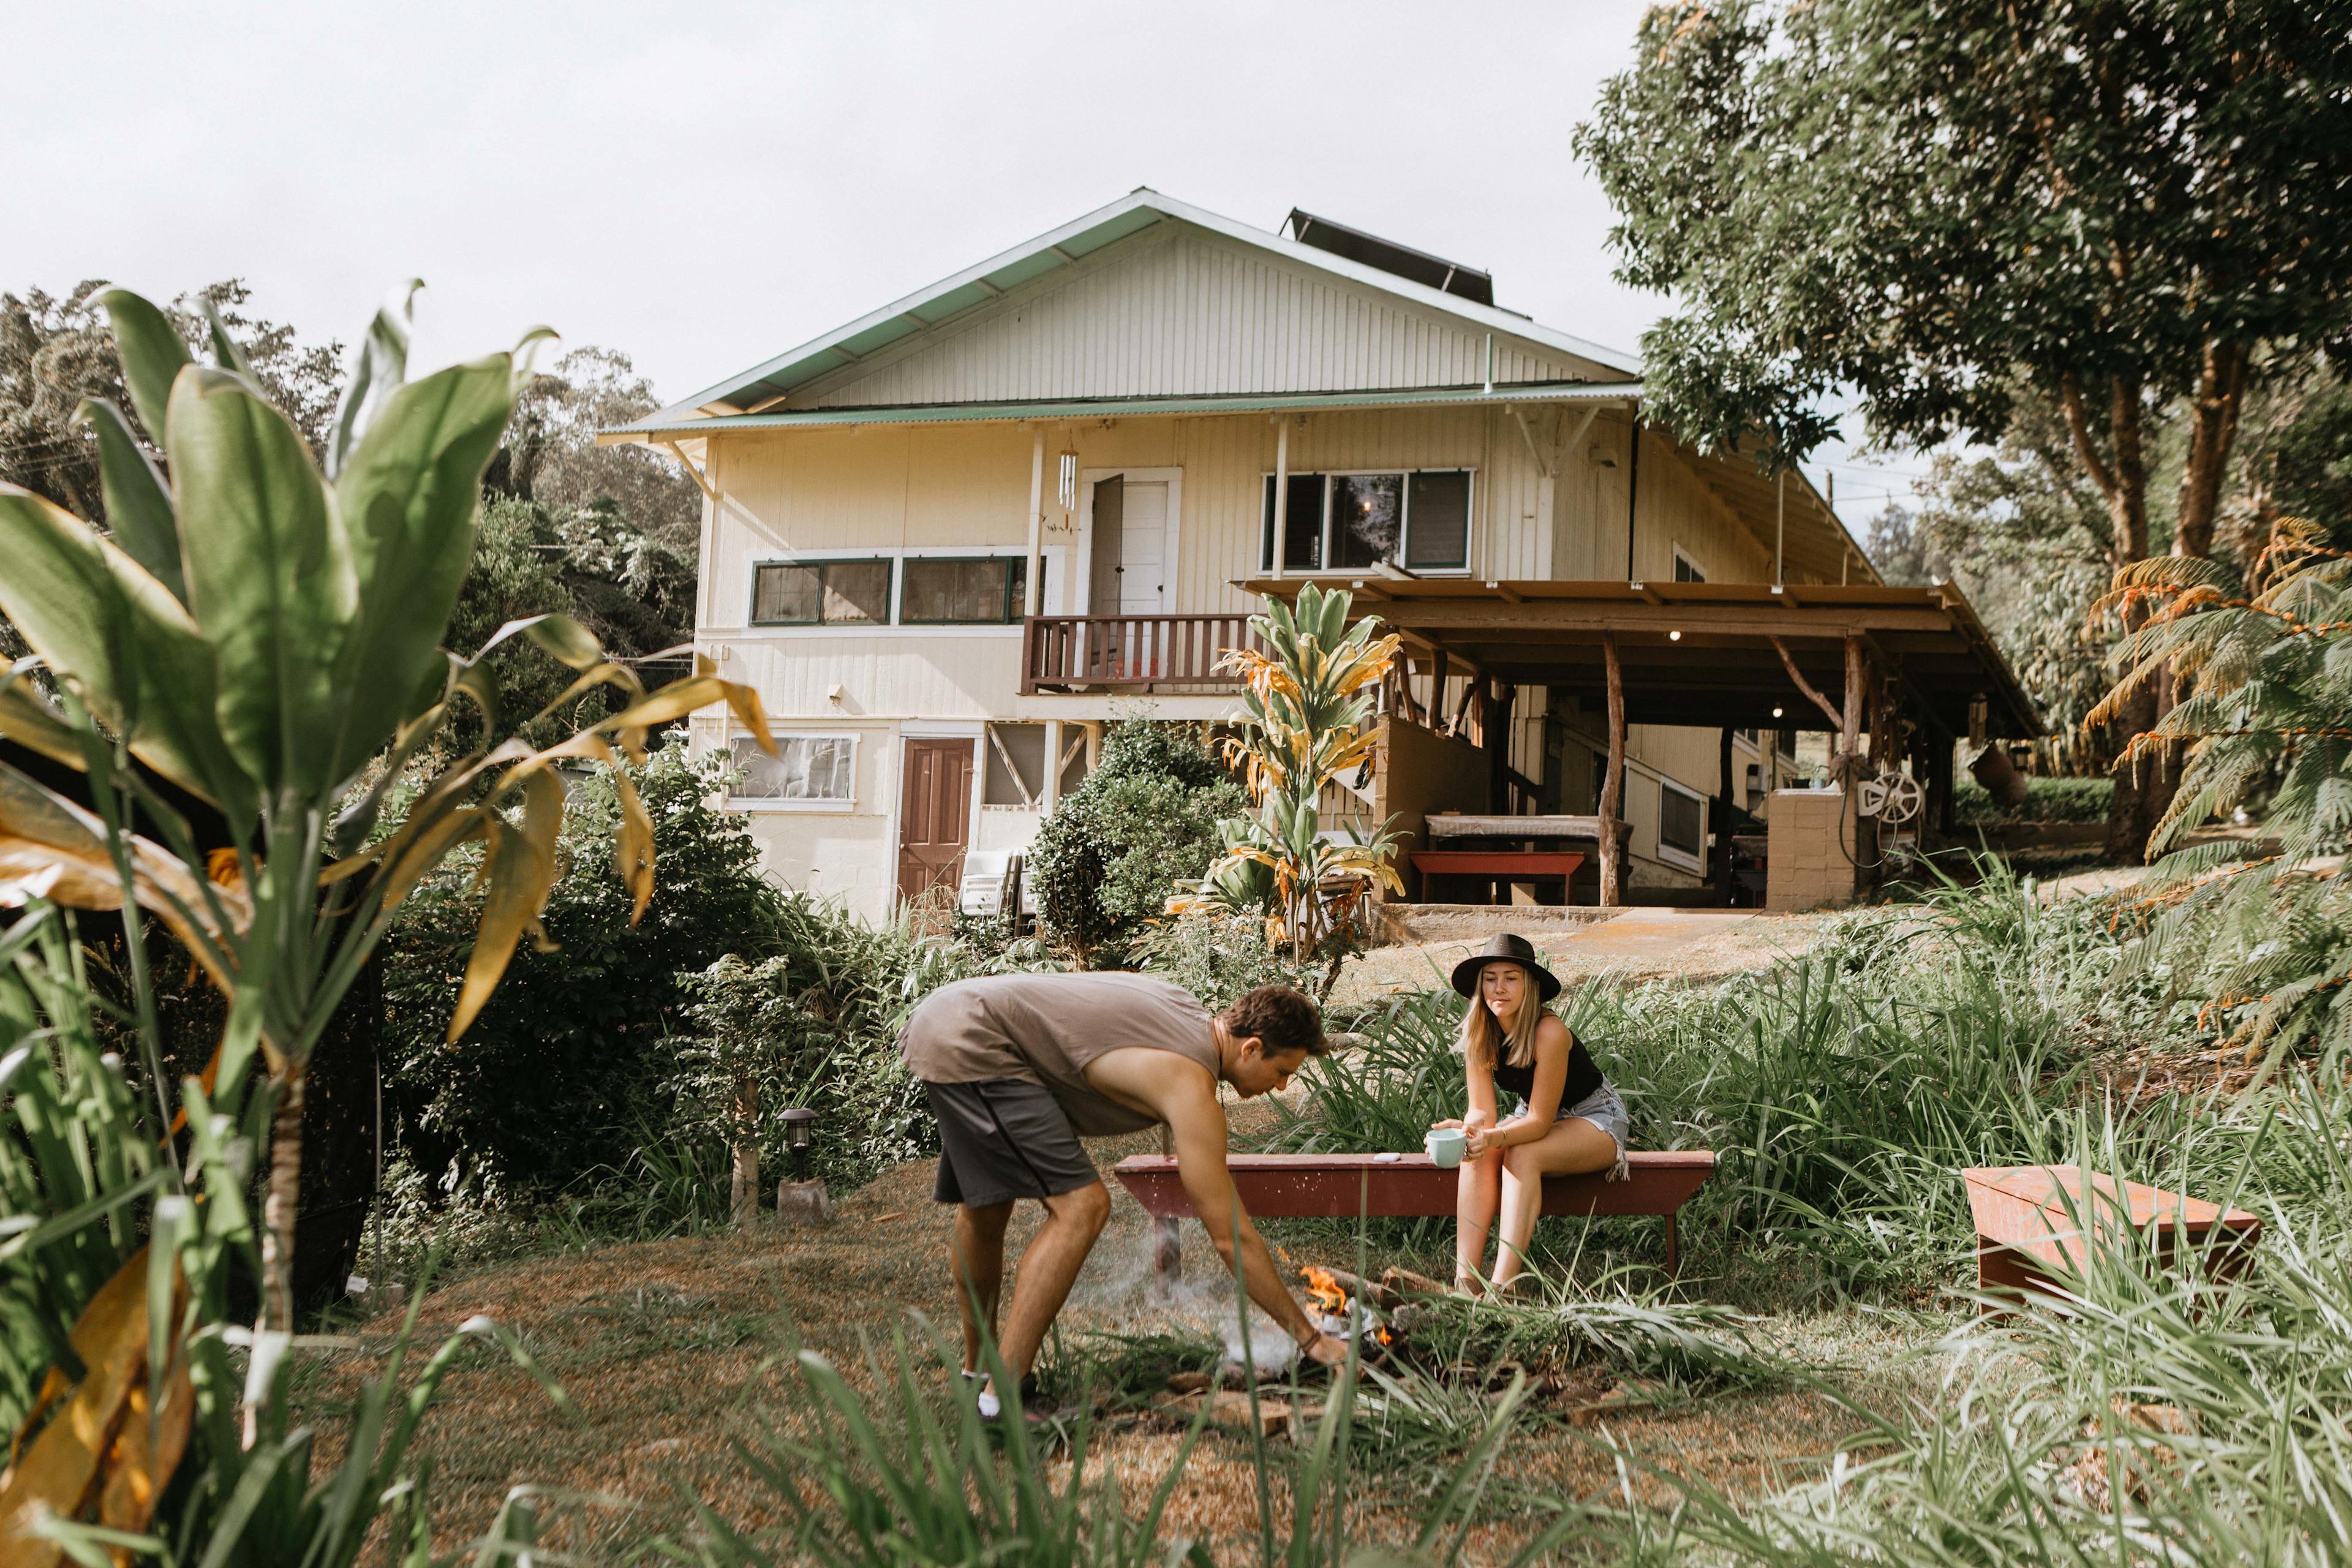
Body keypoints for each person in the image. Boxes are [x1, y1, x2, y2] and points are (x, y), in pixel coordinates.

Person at [900, 973, 1351, 1420]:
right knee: (1083, 1207)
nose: (1282, 1087)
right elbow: (1232, 1240)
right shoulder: (1190, 1086)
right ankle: (1003, 1399)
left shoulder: (1184, 1007)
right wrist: (1311, 1341)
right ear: (1251, 1047)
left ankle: (978, 1375)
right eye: (1282, 1071)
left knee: (987, 1209)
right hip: (976, 1039)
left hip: (951, 1014)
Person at [1433, 933, 1632, 1294]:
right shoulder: (1480, 1032)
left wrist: (1494, 1135)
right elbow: (1481, 1111)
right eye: (1491, 978)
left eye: (1511, 978)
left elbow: (1539, 1123)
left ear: (1530, 986)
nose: (1500, 988)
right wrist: (1470, 1131)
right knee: (1477, 1149)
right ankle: (1465, 1283)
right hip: (1535, 1117)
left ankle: (1502, 1290)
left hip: (1595, 1117)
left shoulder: (1549, 1032)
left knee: (1522, 1151)